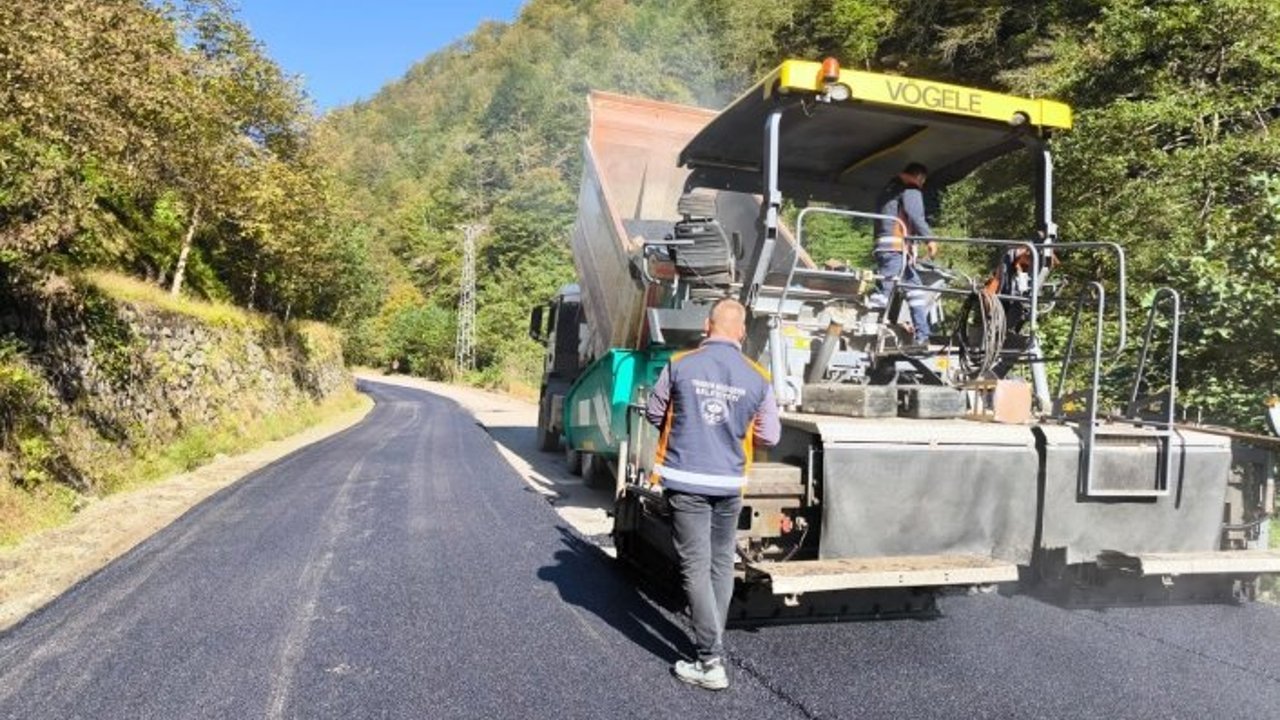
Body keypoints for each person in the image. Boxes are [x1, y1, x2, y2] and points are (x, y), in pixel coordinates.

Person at [644, 298, 781, 691]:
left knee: (694, 566)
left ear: (708, 326)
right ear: (741, 332)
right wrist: (733, 428)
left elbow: (656, 413)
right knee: (721, 564)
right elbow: (770, 435)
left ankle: (710, 660)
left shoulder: (680, 363)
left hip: (685, 479)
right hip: (729, 483)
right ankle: (712, 646)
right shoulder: (758, 376)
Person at [870, 162, 939, 345]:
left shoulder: (889, 189)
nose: (921, 186)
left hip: (886, 247)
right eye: (922, 182)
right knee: (884, 294)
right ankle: (867, 327)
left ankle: (922, 335)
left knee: (914, 290)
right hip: (894, 248)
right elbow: (916, 216)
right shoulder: (910, 188)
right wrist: (930, 240)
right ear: (919, 177)